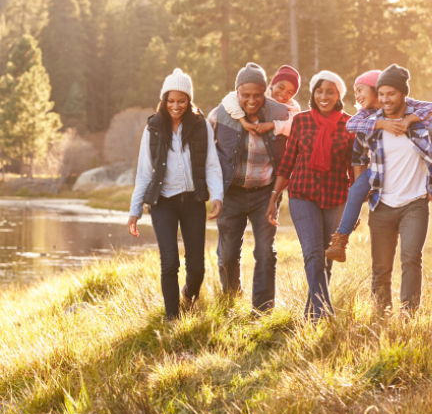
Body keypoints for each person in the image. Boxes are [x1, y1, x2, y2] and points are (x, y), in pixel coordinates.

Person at [339, 65, 432, 315]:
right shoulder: (370, 125)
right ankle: (380, 313)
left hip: (415, 203)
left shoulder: (425, 123)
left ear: (404, 94)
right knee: (381, 267)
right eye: (381, 94)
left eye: (391, 93)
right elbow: (358, 157)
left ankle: (408, 314)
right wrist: (366, 187)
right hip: (381, 205)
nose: (385, 99)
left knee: (411, 259)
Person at [324, 66, 432, 263]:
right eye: (355, 91)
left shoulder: (404, 104)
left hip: (405, 171)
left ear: (376, 89)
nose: (356, 95)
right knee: (356, 189)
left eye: (360, 89)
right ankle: (340, 240)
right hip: (378, 170)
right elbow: (351, 125)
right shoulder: (365, 115)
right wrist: (381, 124)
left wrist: (409, 119)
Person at [128, 69, 223, 320]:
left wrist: (217, 196)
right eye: (170, 101)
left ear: (189, 100)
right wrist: (135, 211)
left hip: (193, 201)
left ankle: (189, 295)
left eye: (181, 101)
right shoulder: (153, 129)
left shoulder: (201, 127)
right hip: (163, 203)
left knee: (197, 268)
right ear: (164, 100)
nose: (175, 106)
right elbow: (143, 173)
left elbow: (212, 165)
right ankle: (173, 319)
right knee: (169, 262)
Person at [265, 71, 354, 321]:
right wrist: (274, 197)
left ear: (339, 96)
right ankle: (326, 315)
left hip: (336, 198)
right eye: (319, 91)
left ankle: (311, 316)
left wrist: (354, 209)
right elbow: (287, 162)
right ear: (312, 94)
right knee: (313, 255)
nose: (323, 96)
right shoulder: (301, 121)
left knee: (326, 260)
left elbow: (353, 170)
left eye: (330, 92)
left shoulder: (349, 124)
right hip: (302, 195)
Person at [209, 62, 289, 313]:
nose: (252, 100)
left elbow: (298, 130)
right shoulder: (220, 114)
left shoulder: (279, 112)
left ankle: (263, 309)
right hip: (230, 193)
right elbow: (205, 152)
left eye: (257, 95)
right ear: (237, 93)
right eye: (246, 95)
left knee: (265, 252)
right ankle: (231, 298)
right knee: (228, 254)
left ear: (265, 92)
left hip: (265, 193)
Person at [218, 64, 302, 138]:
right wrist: (243, 121)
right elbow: (229, 99)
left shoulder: (292, 107)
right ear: (272, 84)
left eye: (290, 92)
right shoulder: (260, 94)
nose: (284, 94)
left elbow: (296, 127)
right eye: (281, 87)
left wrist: (273, 125)